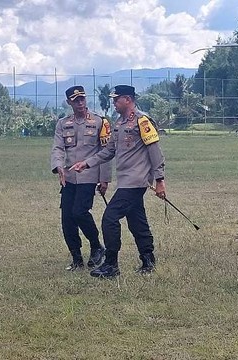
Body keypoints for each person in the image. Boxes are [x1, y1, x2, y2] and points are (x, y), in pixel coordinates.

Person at [70, 85, 166, 278]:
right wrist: (86, 163)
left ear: (128, 99)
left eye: (116, 99)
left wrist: (159, 180)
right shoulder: (119, 123)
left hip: (136, 181)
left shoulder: (142, 121)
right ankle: (148, 260)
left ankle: (111, 264)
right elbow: (108, 151)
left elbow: (155, 152)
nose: (113, 103)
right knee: (137, 220)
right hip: (125, 181)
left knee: (110, 218)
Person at [50, 86, 111, 271]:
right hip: (68, 177)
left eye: (82, 98)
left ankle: (96, 245)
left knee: (79, 212)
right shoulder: (63, 124)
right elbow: (58, 148)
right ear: (69, 102)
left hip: (89, 176)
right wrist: (58, 166)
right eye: (75, 100)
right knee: (67, 219)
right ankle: (76, 258)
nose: (80, 102)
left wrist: (105, 179)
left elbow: (105, 152)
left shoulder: (99, 122)